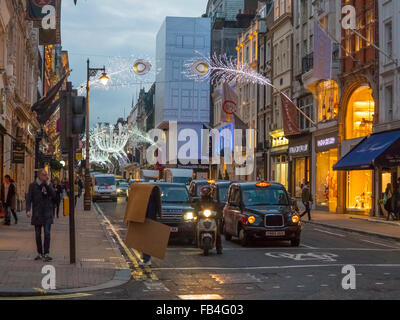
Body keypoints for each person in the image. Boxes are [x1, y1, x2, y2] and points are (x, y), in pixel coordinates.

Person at [26, 169, 56, 262]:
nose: (46, 176)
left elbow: (54, 196)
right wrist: (28, 210)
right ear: (39, 175)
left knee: (47, 233)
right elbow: (29, 199)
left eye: (46, 174)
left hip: (47, 213)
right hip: (37, 214)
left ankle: (46, 253)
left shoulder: (48, 184)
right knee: (38, 234)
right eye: (44, 175)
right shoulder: (32, 185)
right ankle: (39, 253)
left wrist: (47, 184)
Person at [193, 185, 222, 254]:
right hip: (201, 219)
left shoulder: (213, 202)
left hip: (212, 219)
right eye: (204, 191)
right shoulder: (199, 202)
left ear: (209, 192)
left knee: (217, 231)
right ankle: (195, 240)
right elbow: (195, 209)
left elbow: (218, 209)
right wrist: (196, 213)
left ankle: (219, 247)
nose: (205, 193)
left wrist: (218, 214)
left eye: (206, 191)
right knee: (194, 227)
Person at [139, 186, 162, 267]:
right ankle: (147, 259)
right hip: (152, 222)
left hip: (148, 222)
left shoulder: (150, 199)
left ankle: (146, 259)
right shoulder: (156, 199)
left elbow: (147, 212)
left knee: (146, 241)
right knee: (148, 241)